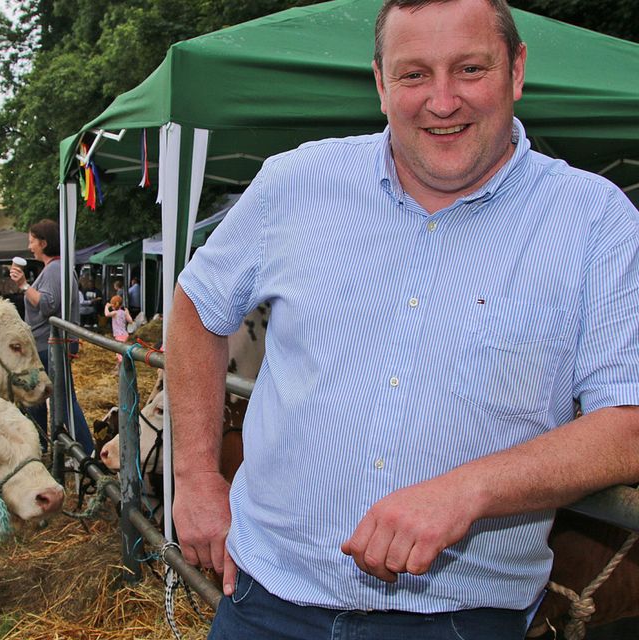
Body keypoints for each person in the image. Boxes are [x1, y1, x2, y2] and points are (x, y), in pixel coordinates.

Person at [166, 1, 639, 639]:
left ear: (517, 70)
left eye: (470, 69)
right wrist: (195, 476)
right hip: (265, 601)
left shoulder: (595, 221)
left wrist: (468, 491)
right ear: (380, 82)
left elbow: (626, 424)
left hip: (461, 618)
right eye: (414, 74)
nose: (442, 101)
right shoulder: (296, 184)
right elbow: (198, 306)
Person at [9, 219, 95, 455]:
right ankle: (42, 444)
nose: (30, 247)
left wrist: (24, 285)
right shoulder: (55, 269)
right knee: (37, 397)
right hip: (45, 345)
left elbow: (48, 304)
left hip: (49, 345)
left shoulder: (55, 269)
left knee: (64, 400)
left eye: (32, 242)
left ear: (44, 243)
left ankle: (86, 452)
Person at [104, 294, 133, 364]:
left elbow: (106, 314)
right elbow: (131, 321)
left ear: (114, 305)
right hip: (125, 334)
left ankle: (122, 366)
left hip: (119, 335)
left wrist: (106, 307)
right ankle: (121, 366)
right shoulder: (123, 312)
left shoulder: (115, 313)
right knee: (122, 350)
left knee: (119, 352)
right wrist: (127, 313)